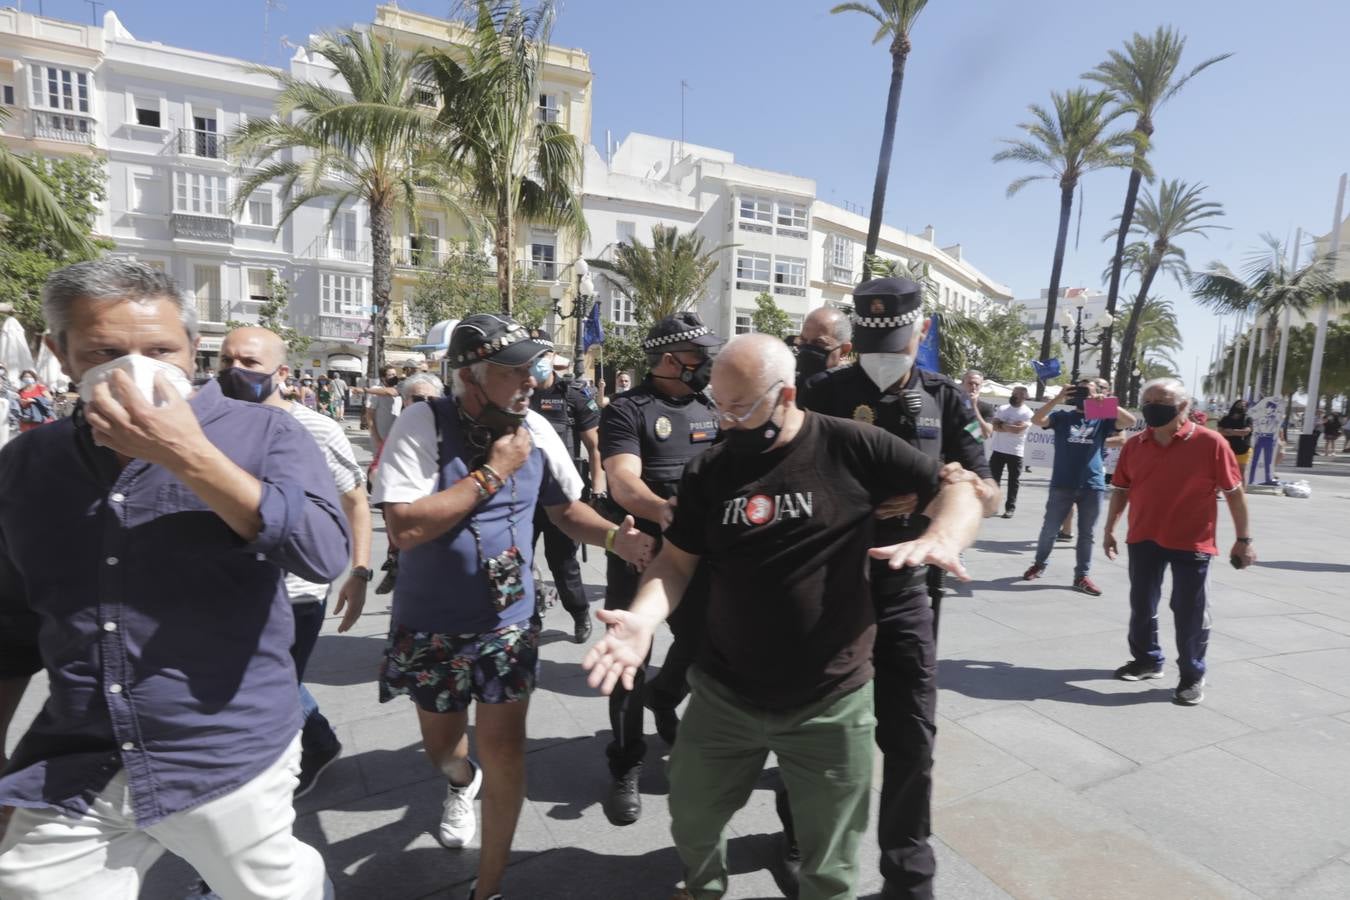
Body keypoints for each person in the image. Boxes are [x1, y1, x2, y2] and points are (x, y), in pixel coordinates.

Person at [583, 334, 986, 900]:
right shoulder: (711, 470)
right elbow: (675, 563)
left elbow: (962, 488)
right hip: (724, 696)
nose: (727, 422)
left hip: (831, 702)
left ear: (787, 394)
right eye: (718, 406)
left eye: (741, 408)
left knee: (830, 867)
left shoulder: (853, 446)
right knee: (692, 819)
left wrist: (943, 534)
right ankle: (701, 888)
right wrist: (644, 620)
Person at [0, 259, 350, 899]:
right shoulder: (29, 462)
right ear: (61, 355)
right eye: (105, 351)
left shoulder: (265, 432)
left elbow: (324, 552)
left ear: (193, 350)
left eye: (159, 349)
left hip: (226, 752)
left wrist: (189, 457)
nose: (135, 367)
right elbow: (12, 625)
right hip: (80, 758)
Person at [372, 314, 653, 900]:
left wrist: (613, 539)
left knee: (505, 754)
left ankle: (489, 888)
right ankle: (458, 782)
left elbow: (563, 511)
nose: (534, 380)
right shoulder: (424, 423)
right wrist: (493, 473)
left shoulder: (539, 431)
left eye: (535, 367)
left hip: (509, 624)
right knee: (443, 752)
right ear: (472, 375)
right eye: (517, 370)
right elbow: (403, 527)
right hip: (431, 627)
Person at [798, 277, 999, 900]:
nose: (884, 349)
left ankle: (909, 874)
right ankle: (801, 836)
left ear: (923, 331)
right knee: (814, 721)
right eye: (872, 338)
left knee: (911, 729)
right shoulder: (822, 392)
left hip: (908, 583)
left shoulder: (947, 399)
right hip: (828, 581)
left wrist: (959, 488)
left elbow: (987, 492)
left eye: (895, 337)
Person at [218, 327, 374, 797]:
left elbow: (357, 502)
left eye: (248, 363)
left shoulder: (318, 430)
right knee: (260, 683)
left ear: (282, 374)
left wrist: (360, 572)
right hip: (228, 585)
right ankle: (313, 744)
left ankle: (296, 759)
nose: (233, 373)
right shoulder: (207, 426)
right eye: (226, 362)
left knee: (273, 684)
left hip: (296, 593)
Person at [596, 311, 722, 827]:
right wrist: (669, 514)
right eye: (697, 355)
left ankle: (664, 696)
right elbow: (623, 484)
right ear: (669, 359)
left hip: (702, 554)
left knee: (703, 646)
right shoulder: (629, 410)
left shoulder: (711, 407)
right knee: (629, 660)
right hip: (643, 550)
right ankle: (625, 763)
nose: (705, 363)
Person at [1103, 378, 1255, 705]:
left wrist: (1243, 539)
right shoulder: (1134, 445)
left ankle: (1191, 674)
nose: (1154, 408)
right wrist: (1109, 528)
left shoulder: (1211, 443)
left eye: (1163, 402)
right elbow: (1121, 489)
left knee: (1190, 612)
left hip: (1192, 543)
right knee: (1141, 605)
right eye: (1149, 401)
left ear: (1184, 407)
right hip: (1143, 537)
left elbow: (1234, 493)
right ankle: (1147, 659)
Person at [1021, 377, 1137, 596]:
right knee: (1049, 530)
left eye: (1088, 391)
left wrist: (1105, 402)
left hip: (1092, 485)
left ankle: (1082, 576)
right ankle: (1039, 564)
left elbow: (1129, 422)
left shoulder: (1102, 418)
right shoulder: (1062, 417)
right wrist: (1058, 398)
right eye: (1080, 391)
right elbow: (1037, 419)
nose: (1084, 395)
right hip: (1062, 483)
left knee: (1087, 534)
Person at [526, 329, 607, 643]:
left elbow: (595, 445)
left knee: (563, 562)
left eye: (541, 356)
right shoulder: (518, 392)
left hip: (563, 494)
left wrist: (598, 489)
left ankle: (578, 612)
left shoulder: (571, 393)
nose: (536, 363)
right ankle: (531, 619)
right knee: (519, 560)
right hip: (523, 496)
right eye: (530, 357)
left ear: (551, 359)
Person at [989, 385, 1033, 518]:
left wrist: (1002, 424)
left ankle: (1010, 508)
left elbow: (1018, 430)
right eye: (1013, 393)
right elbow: (994, 427)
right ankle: (993, 507)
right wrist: (1009, 426)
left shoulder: (1027, 413)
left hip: (1015, 451)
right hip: (998, 449)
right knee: (994, 480)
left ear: (1024, 397)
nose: (1014, 396)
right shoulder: (1002, 409)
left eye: (1018, 394)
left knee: (1013, 482)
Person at [794, 305, 853, 393]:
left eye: (819, 342)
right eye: (803, 340)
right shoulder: (790, 387)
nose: (807, 347)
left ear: (844, 350)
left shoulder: (852, 394)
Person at [1217, 400, 1254, 475]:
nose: (1241, 407)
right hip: (1227, 449)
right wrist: (1238, 433)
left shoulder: (1247, 419)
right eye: (1239, 405)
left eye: (1244, 406)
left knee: (1241, 472)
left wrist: (1230, 431)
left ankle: (1242, 487)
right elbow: (1220, 431)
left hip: (1243, 450)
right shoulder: (1225, 419)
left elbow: (1246, 432)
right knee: (1226, 471)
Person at [960, 369, 996, 441]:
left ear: (981, 386)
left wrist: (974, 407)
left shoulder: (987, 407)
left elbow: (986, 435)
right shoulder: (952, 403)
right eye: (970, 383)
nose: (973, 387)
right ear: (962, 384)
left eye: (977, 384)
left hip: (972, 450)